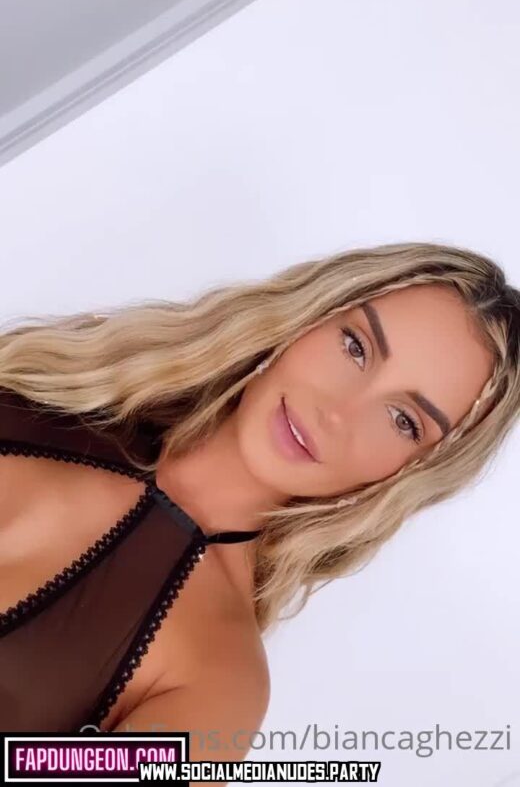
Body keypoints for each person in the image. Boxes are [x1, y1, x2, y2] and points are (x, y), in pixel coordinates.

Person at [0, 240, 519, 754]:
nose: (337, 413)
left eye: (403, 420)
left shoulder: (219, 680)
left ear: (410, 474)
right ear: (308, 317)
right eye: (356, 347)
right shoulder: (57, 376)